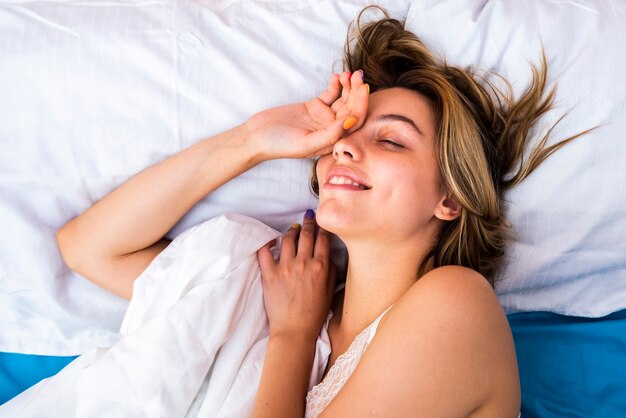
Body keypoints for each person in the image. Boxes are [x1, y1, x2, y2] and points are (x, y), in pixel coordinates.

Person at [56, 7, 584, 418]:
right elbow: (90, 247)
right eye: (343, 134)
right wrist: (251, 142)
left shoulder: (456, 304)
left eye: (393, 141)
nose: (344, 148)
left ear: (450, 198)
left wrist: (292, 338)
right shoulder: (288, 294)